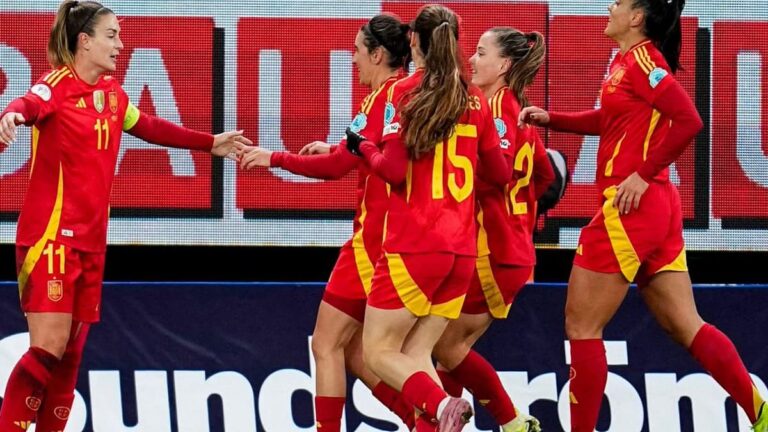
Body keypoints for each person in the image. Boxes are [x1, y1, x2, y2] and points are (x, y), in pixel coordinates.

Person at [518, 0, 768, 431]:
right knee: (685, 324)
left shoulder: (645, 62)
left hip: (631, 208)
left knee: (581, 326)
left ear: (637, 18)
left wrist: (642, 173)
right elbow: (608, 119)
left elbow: (689, 120)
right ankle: (759, 411)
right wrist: (552, 119)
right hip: (658, 209)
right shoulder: (623, 61)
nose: (610, 7)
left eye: (620, 2)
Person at [0, 1, 249, 430]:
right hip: (51, 239)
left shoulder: (114, 95)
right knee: (48, 349)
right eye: (111, 35)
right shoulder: (56, 84)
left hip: (92, 244)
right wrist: (9, 117)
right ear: (85, 41)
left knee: (70, 360)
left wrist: (210, 143)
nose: (120, 44)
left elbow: (149, 126)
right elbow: (26, 103)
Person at [239, 13, 417, 431]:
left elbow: (340, 167)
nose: (352, 58)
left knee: (325, 344)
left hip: (372, 244)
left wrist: (274, 158)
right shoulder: (398, 94)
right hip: (394, 242)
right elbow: (358, 151)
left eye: (357, 50)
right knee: (357, 353)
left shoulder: (386, 97)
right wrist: (334, 147)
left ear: (377, 53)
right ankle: (424, 420)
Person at [343, 4, 512, 432]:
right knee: (416, 356)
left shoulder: (408, 92)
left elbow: (394, 170)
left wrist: (360, 146)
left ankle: (441, 405)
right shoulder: (472, 97)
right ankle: (436, 416)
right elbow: (500, 175)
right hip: (460, 252)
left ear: (414, 41)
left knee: (377, 351)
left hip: (414, 244)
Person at [431, 27, 553, 432]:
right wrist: (520, 218)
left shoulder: (497, 108)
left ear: (503, 65)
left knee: (444, 345)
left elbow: (494, 173)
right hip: (510, 250)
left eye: (481, 53)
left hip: (491, 251)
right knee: (450, 348)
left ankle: (513, 421)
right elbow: (547, 177)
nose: (472, 60)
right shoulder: (518, 110)